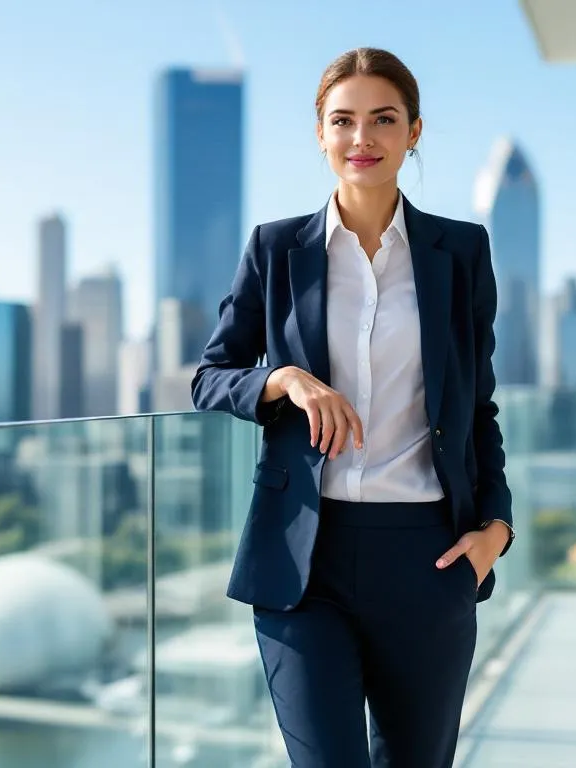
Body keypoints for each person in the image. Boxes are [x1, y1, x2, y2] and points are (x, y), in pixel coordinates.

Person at [190, 47, 515, 767]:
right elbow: (211, 376)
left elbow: (478, 407)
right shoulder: (276, 249)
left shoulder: (459, 253)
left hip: (429, 554)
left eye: (383, 119)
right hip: (304, 558)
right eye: (343, 121)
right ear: (320, 133)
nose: (361, 138)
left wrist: (497, 528)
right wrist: (289, 381)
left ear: (414, 132)